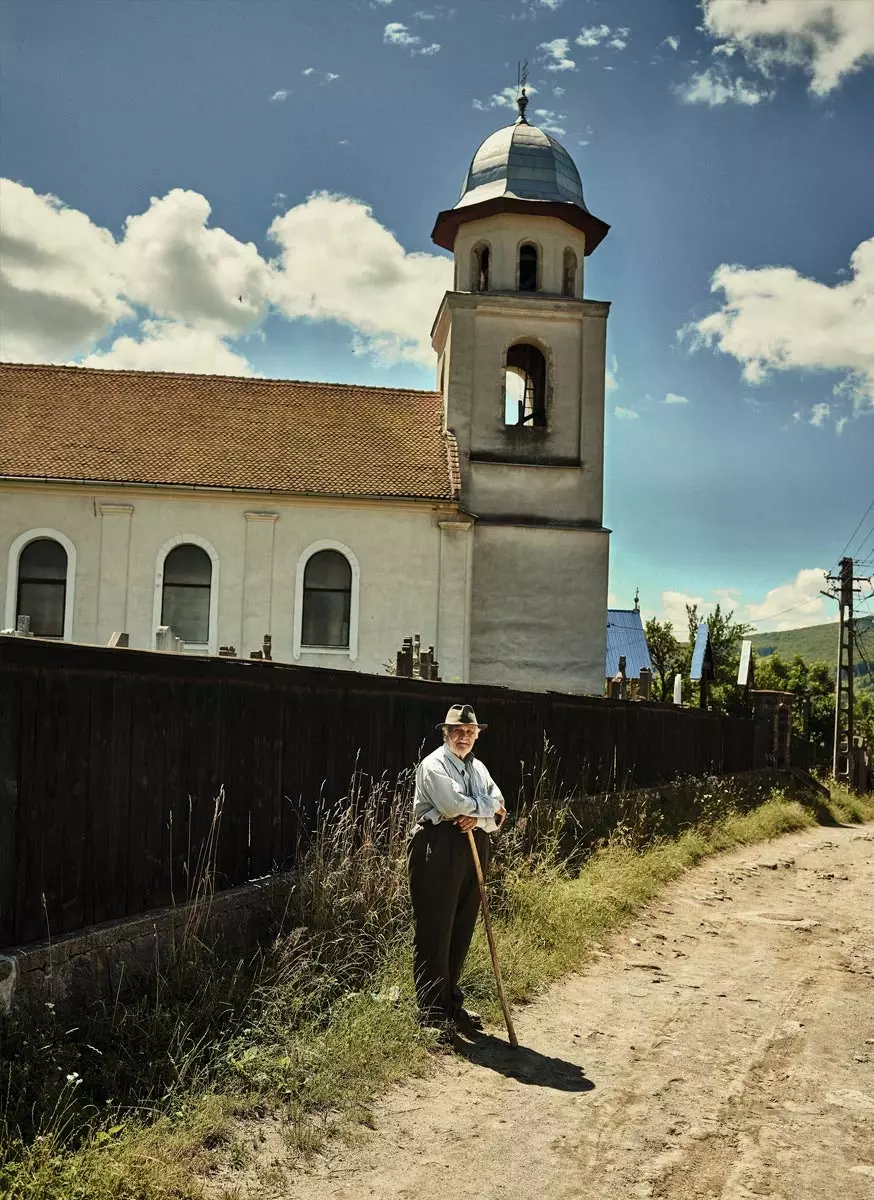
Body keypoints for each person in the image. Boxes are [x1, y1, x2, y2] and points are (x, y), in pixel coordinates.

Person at [408, 703, 507, 1037]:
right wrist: (483, 812)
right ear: (445, 733)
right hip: (438, 845)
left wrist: (478, 817)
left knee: (462, 924)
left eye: (469, 732)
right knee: (436, 926)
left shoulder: (478, 768)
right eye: (457, 732)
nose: (463, 737)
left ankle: (450, 1002)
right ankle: (431, 1011)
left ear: (477, 734)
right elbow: (452, 806)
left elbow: (500, 807)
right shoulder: (434, 765)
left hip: (473, 843)